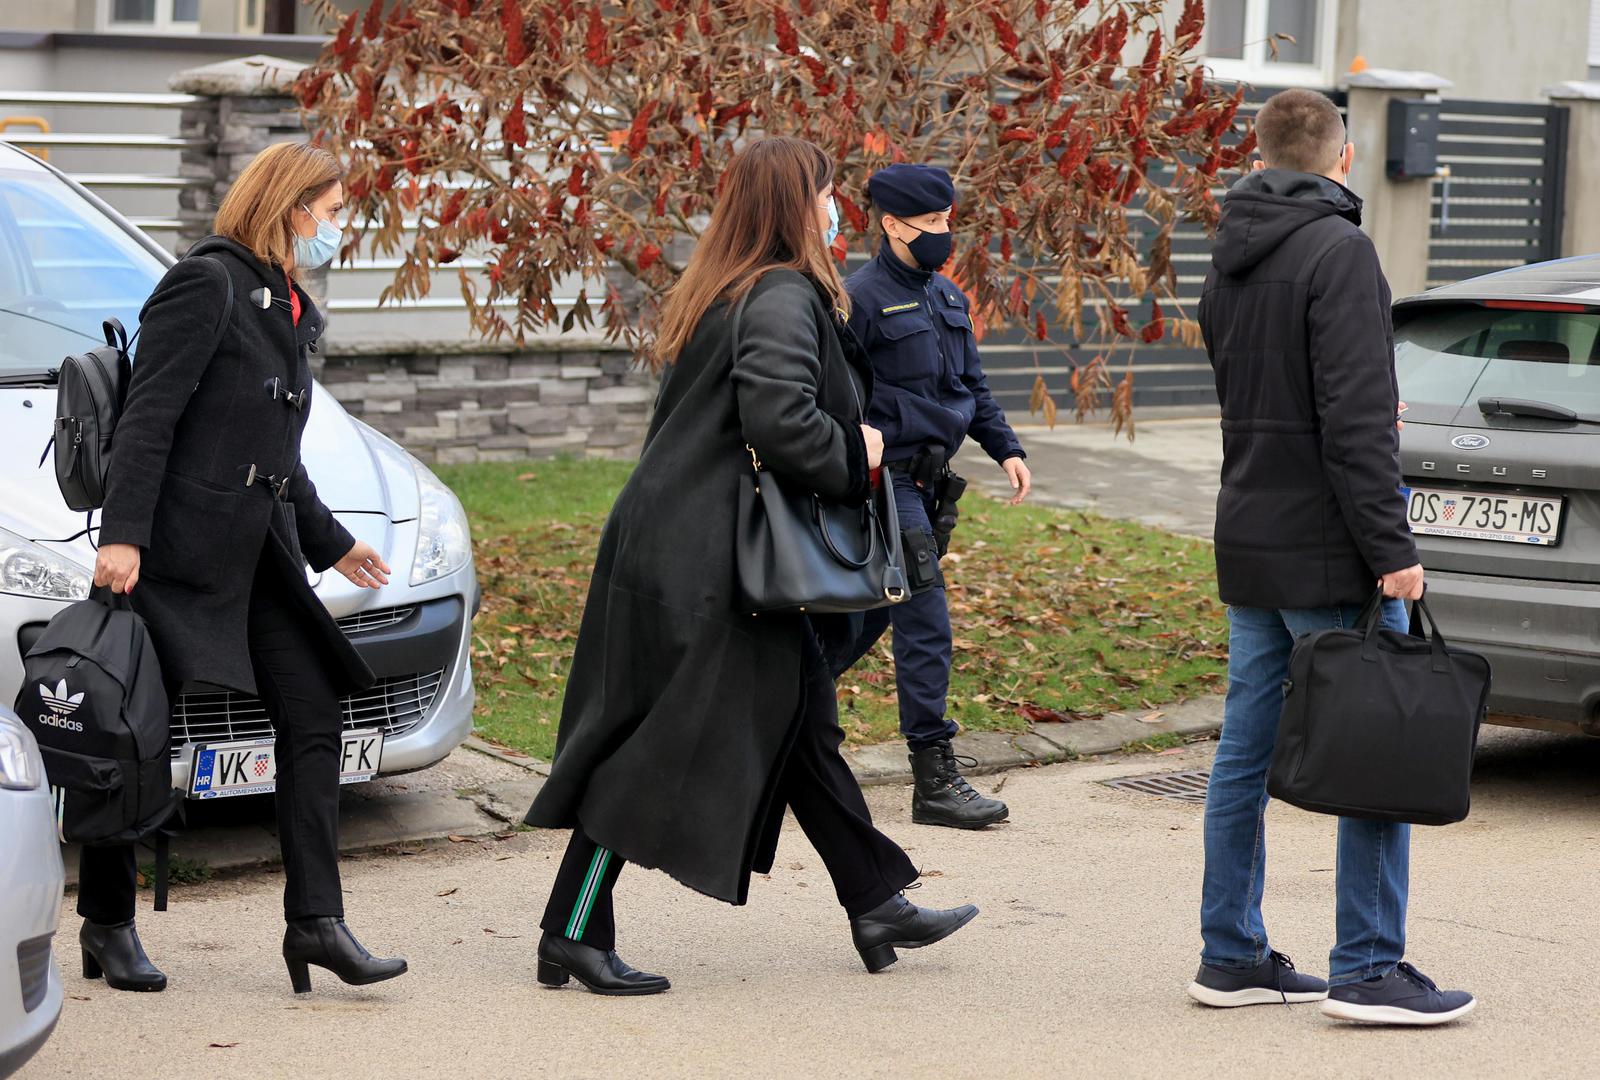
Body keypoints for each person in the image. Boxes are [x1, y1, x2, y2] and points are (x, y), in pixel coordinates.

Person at [522, 136, 979, 996]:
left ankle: (877, 898)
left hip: (693, 542)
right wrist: (863, 450)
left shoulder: (739, 285)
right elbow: (782, 423)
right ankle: (571, 931)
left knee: (802, 717)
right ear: (795, 205)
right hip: (709, 563)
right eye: (827, 195)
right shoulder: (778, 294)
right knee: (659, 745)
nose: (835, 210)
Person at [86, 142, 408, 996]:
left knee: (312, 713)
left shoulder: (285, 302)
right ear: (291, 206)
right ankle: (106, 923)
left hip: (256, 556)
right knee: (135, 737)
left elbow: (276, 454)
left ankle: (315, 924)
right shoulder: (209, 283)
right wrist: (123, 536)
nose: (338, 228)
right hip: (172, 558)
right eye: (334, 212)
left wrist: (333, 541)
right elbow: (148, 419)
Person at [1189, 88, 1475, 1025]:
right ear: (1341, 158)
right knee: (1374, 745)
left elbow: (1251, 399)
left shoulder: (1228, 257)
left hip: (1250, 535)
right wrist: (1392, 548)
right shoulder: (1341, 252)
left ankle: (1229, 953)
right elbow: (1356, 419)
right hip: (1328, 548)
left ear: (1263, 153)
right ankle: (1368, 967)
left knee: (1243, 748)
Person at [829, 164, 1029, 830]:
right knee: (925, 616)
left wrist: (1006, 448)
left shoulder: (948, 298)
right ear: (891, 225)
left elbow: (970, 388)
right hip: (885, 484)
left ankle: (772, 718)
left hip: (931, 483)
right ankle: (935, 778)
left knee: (864, 619)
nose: (946, 234)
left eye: (949, 221)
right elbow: (834, 397)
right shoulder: (857, 299)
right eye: (932, 224)